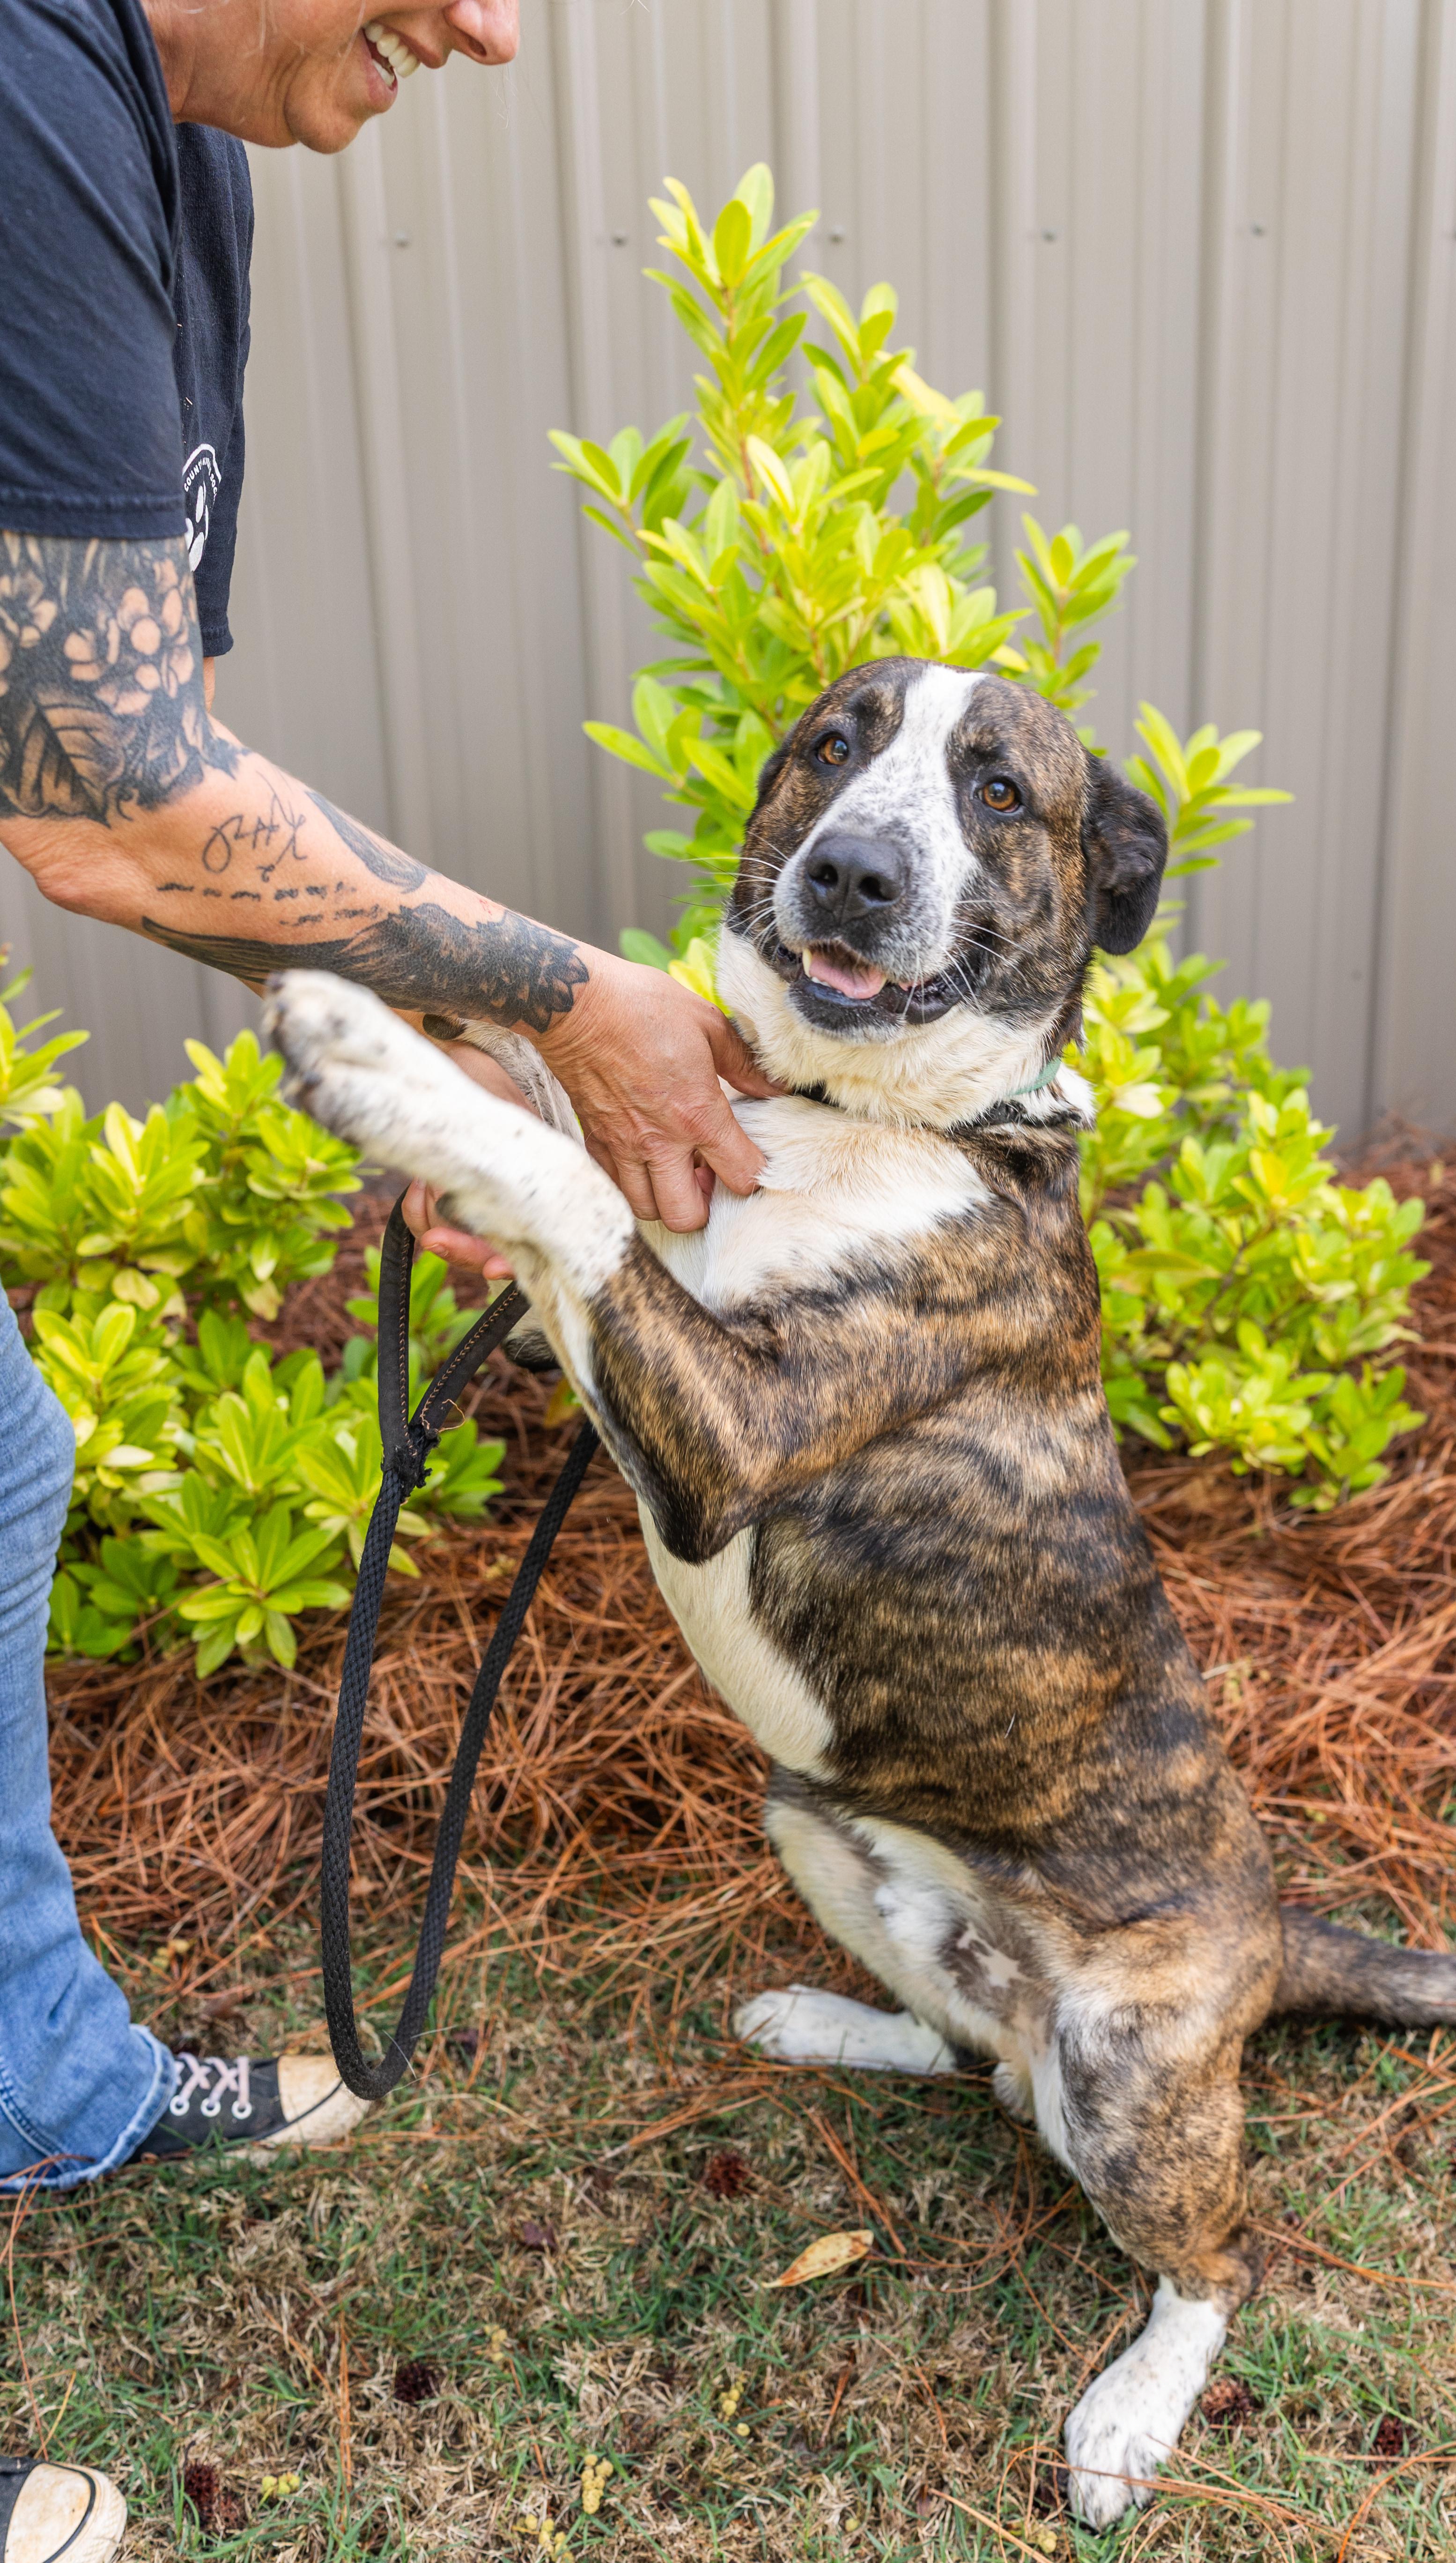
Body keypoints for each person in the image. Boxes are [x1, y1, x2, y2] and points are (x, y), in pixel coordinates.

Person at [0, 1, 775, 2550]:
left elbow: (115, 757)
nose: (492, 26)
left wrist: (474, 1066)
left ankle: (48, 2089)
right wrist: (571, 998)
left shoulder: (165, 144)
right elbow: (120, 813)